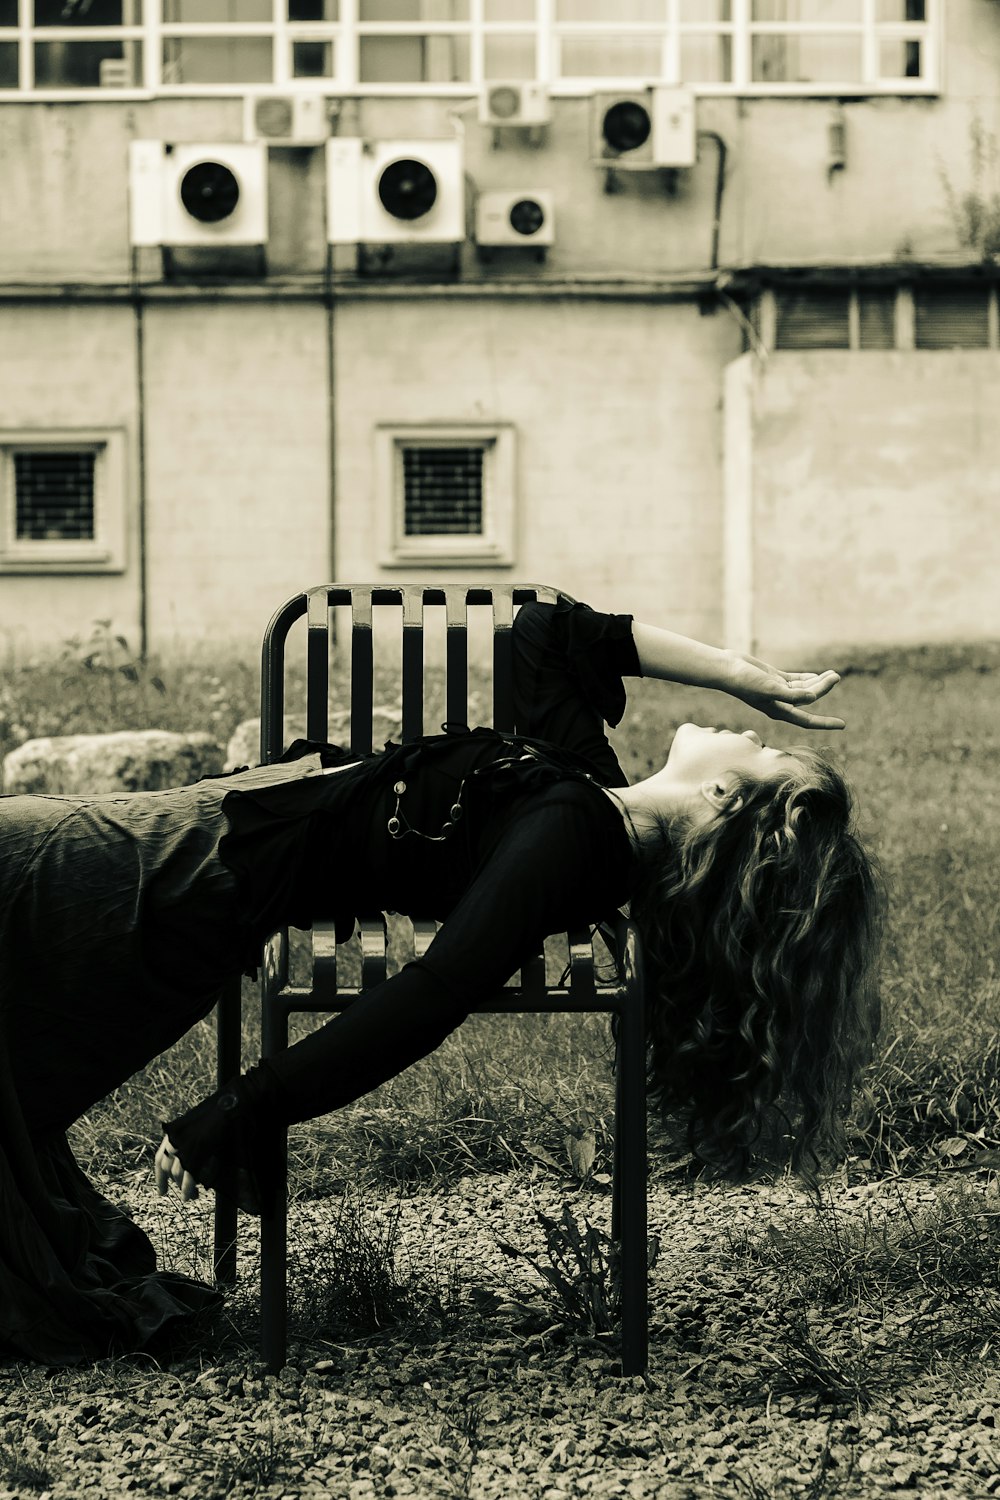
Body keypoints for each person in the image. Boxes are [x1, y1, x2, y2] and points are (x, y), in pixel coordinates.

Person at [0, 598, 881, 1364]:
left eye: (767, 753)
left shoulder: (575, 835)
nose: (756, 733)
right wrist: (742, 672)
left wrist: (246, 1104)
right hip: (204, 835)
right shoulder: (588, 794)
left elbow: (435, 991)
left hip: (192, 866)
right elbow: (549, 632)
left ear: (726, 796)